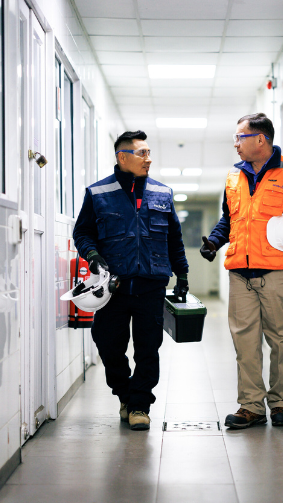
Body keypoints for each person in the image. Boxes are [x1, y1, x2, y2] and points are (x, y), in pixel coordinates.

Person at [200, 113, 283, 429]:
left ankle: (281, 404)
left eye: (239, 137)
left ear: (261, 139)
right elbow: (229, 220)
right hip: (239, 271)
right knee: (245, 343)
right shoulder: (234, 177)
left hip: (276, 272)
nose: (235, 143)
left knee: (280, 339)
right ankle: (251, 407)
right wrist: (215, 242)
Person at [73, 130, 189, 431]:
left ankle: (139, 404)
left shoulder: (162, 193)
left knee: (148, 348)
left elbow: (174, 239)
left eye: (149, 153)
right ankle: (125, 394)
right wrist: (93, 254)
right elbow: (82, 233)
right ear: (122, 157)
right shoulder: (98, 193)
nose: (148, 159)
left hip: (151, 284)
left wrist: (183, 273)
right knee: (108, 344)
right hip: (114, 285)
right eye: (142, 153)